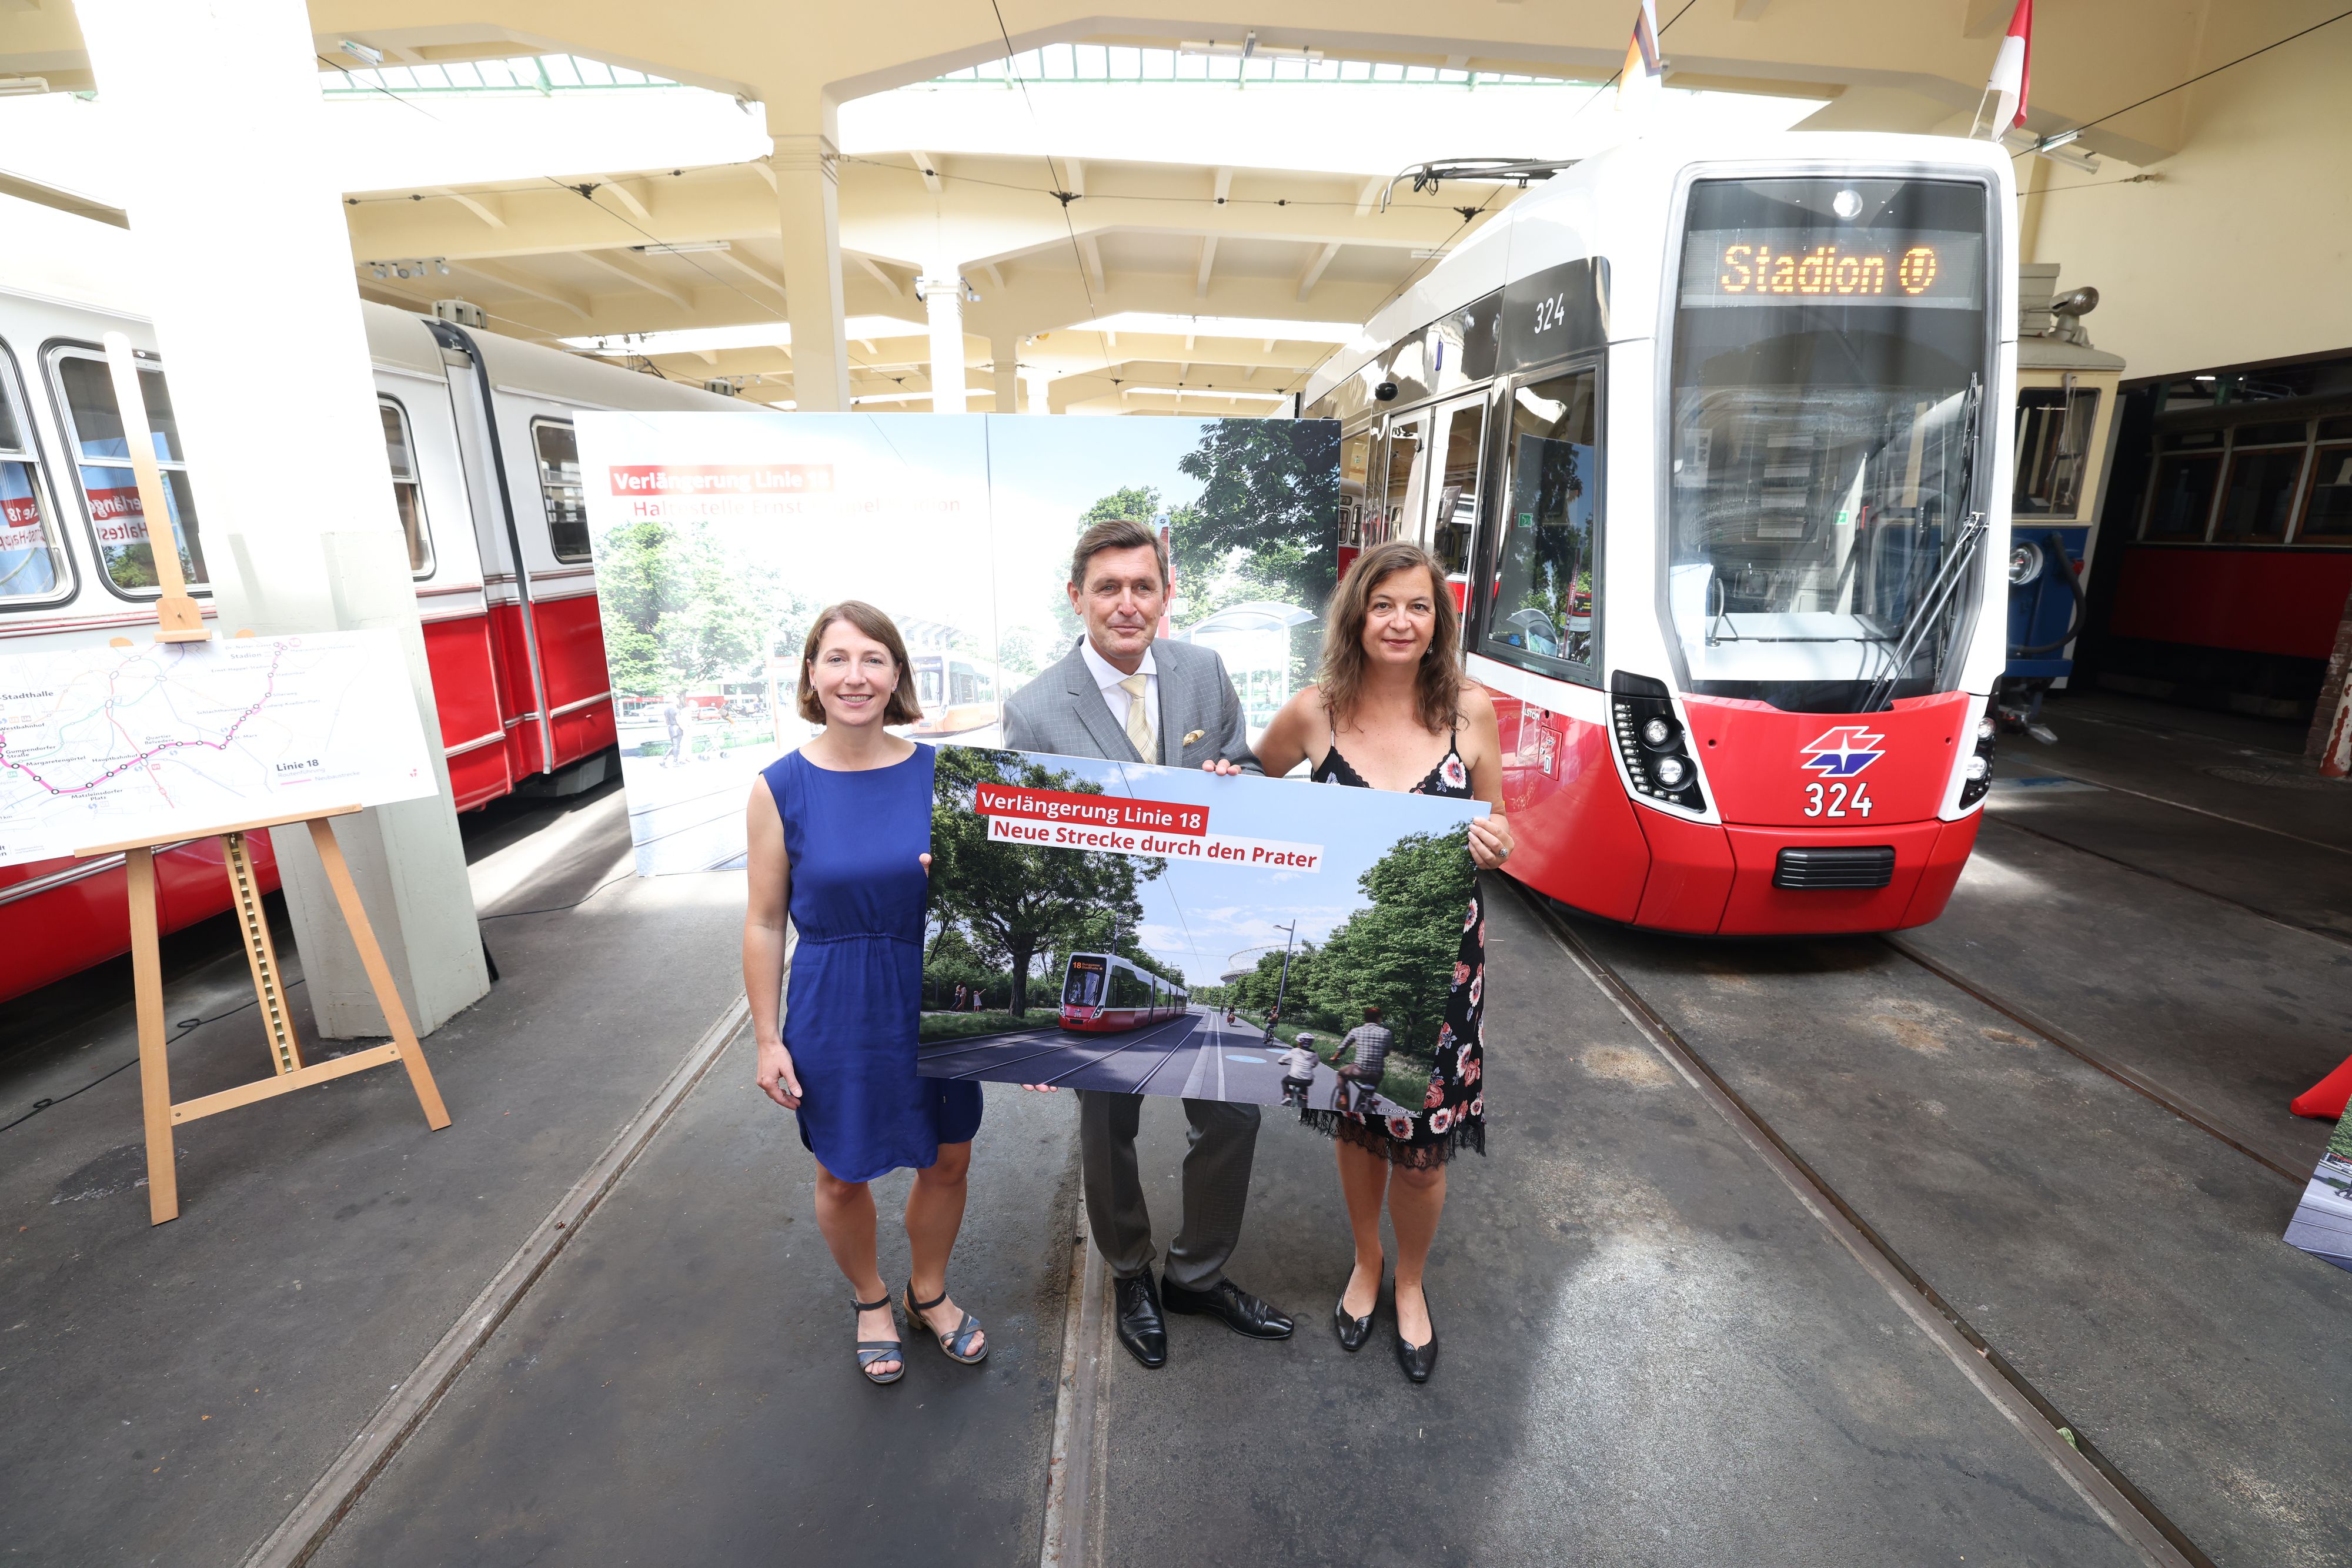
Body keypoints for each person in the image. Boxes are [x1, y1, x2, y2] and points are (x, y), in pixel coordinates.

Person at [1001, 514, 1294, 1369]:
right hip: (1108, 931)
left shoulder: (1203, 671)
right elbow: (1032, 840)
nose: (1127, 604)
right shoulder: (1034, 706)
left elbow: (1245, 766)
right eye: (1108, 587)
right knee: (1106, 1125)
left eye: (1143, 586)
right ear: (1077, 597)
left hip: (1205, 924)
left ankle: (1196, 1274)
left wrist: (1235, 779)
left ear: (1165, 594)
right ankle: (1129, 1270)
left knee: (1236, 1110)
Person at [1254, 540, 1515, 1385]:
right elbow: (1245, 791)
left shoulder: (1470, 711)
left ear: (1439, 620)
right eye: (1383, 604)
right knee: (1361, 1122)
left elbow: (1501, 828)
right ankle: (1367, 1262)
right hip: (1355, 957)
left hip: (1446, 970)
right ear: (1356, 616)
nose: (1401, 621)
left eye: (1419, 605)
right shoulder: (1313, 713)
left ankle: (1410, 1282)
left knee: (1424, 1145)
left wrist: (1496, 844)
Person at [743, 600, 988, 1388]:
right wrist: (766, 1036)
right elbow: (762, 921)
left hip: (936, 988)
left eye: (874, 658)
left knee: (948, 1157)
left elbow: (983, 904)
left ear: (897, 674)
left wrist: (955, 885)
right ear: (812, 673)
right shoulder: (779, 786)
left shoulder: (945, 776)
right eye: (838, 658)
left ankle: (929, 1289)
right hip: (835, 997)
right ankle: (871, 1297)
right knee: (842, 1171)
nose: (856, 675)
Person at [1332, 1006, 1394, 1116]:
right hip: (1377, 1073)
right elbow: (1387, 1053)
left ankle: (1344, 1099)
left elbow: (1343, 1047)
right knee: (1368, 1094)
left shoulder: (1357, 1031)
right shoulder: (1387, 1033)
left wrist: (1335, 1057)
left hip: (1359, 1070)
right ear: (1379, 1019)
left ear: (1365, 1018)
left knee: (1341, 1074)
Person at [1281, 1032, 1320, 1111]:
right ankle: (1305, 1098)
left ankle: (1287, 1096)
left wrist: (1281, 1062)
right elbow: (1316, 1063)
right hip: (1308, 1081)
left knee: (1284, 1081)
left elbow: (1282, 1059)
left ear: (1299, 1042)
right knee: (1304, 1086)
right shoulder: (1314, 1054)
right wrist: (1312, 1066)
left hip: (1293, 1078)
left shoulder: (1295, 1051)